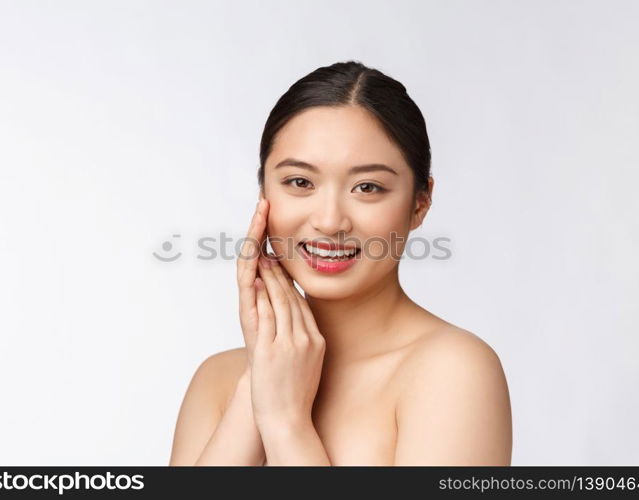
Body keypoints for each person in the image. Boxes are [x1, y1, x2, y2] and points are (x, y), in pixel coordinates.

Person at [169, 60, 512, 466]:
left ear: (420, 203)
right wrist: (257, 383)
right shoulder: (219, 380)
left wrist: (284, 421)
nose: (330, 221)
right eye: (300, 182)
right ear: (264, 190)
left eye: (367, 187)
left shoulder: (454, 372)